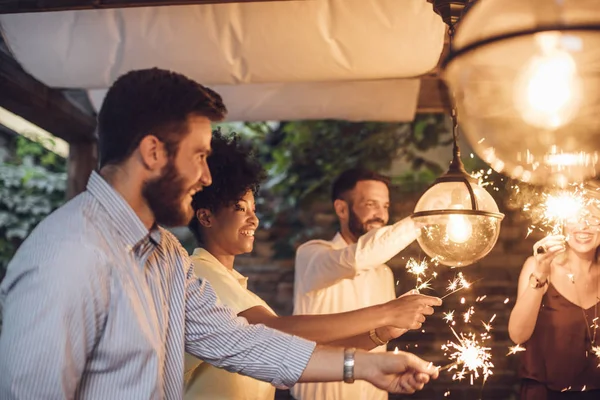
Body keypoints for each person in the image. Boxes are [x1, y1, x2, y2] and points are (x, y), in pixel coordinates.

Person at [0, 68, 440, 399]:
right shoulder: (67, 254)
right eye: (199, 156)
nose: (208, 177)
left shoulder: (166, 254)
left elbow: (238, 341)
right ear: (153, 152)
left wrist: (362, 365)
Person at [184, 131, 442, 400]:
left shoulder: (240, 290)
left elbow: (301, 350)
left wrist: (379, 335)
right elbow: (274, 332)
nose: (254, 220)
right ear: (205, 217)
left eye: (254, 209)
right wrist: (388, 312)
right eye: (240, 208)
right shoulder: (201, 275)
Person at [292, 168, 429, 400]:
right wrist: (425, 220)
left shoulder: (383, 273)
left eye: (385, 206)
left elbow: (374, 342)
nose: (381, 215)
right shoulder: (312, 254)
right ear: (342, 209)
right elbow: (357, 259)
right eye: (371, 204)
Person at [508, 187, 600, 399]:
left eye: (594, 218)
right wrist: (540, 274)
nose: (583, 226)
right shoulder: (538, 267)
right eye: (575, 218)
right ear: (562, 222)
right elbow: (518, 335)